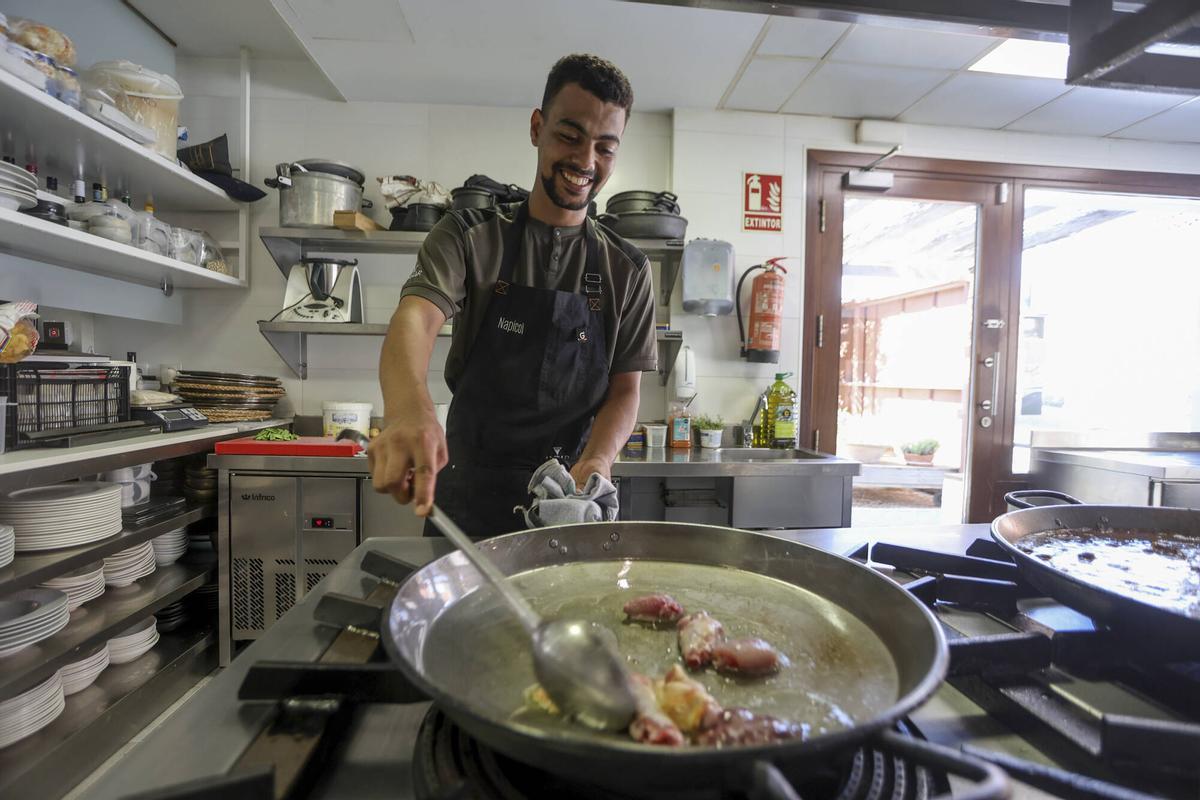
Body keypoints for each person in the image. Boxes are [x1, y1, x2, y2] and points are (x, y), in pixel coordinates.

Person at [369, 54, 658, 537]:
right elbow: (416, 319)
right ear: (537, 128)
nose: (586, 161)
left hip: (571, 498)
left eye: (605, 148)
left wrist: (599, 462)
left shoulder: (627, 269)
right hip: (469, 497)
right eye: (570, 135)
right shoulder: (469, 236)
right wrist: (406, 408)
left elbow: (626, 390)